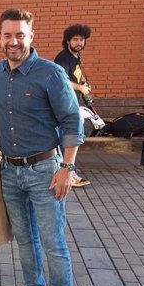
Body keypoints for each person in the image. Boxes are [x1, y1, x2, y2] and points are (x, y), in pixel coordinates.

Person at [0, 9, 84, 286]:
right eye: (7, 35)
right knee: (26, 242)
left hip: (46, 170)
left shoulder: (51, 74)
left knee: (53, 243)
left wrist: (67, 168)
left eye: (19, 35)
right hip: (10, 171)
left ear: (31, 36)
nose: (13, 41)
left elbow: (73, 122)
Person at [54, 24, 93, 187]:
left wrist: (84, 88)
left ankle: (68, 171)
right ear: (68, 41)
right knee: (69, 136)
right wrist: (80, 87)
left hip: (74, 103)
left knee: (76, 134)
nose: (79, 42)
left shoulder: (76, 57)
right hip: (66, 105)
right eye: (75, 39)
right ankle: (67, 172)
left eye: (81, 39)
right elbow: (61, 80)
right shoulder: (63, 58)